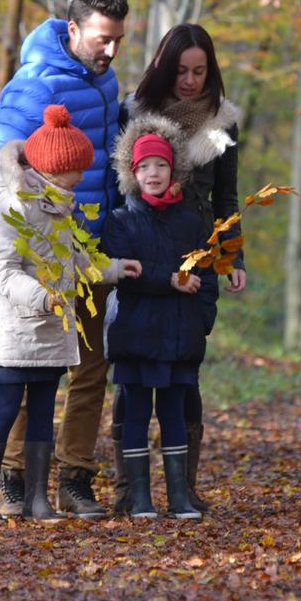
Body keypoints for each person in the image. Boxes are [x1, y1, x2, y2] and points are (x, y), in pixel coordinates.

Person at [0, 0, 129, 519]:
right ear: (73, 30)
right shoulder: (36, 84)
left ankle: (75, 476)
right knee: (32, 368)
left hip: (91, 245)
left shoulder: (106, 81)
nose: (110, 50)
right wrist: (29, 223)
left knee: (92, 368)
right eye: (102, 38)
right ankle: (17, 478)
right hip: (44, 252)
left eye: (117, 40)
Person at [116, 23, 243, 513]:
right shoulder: (134, 111)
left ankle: (183, 486)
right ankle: (129, 487)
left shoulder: (222, 122)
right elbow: (119, 184)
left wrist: (231, 256)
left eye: (199, 71)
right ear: (163, 67)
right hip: (141, 248)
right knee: (132, 371)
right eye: (181, 70)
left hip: (196, 255)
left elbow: (227, 196)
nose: (189, 81)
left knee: (183, 374)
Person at [100, 115, 214, 520]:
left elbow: (207, 273)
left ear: (174, 169)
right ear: (133, 171)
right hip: (135, 333)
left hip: (179, 336)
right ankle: (140, 497)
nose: (153, 173)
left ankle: (179, 496)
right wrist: (167, 280)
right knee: (134, 413)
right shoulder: (120, 221)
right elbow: (125, 275)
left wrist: (203, 321)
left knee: (172, 413)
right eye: (145, 166)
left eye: (161, 165)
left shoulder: (190, 221)